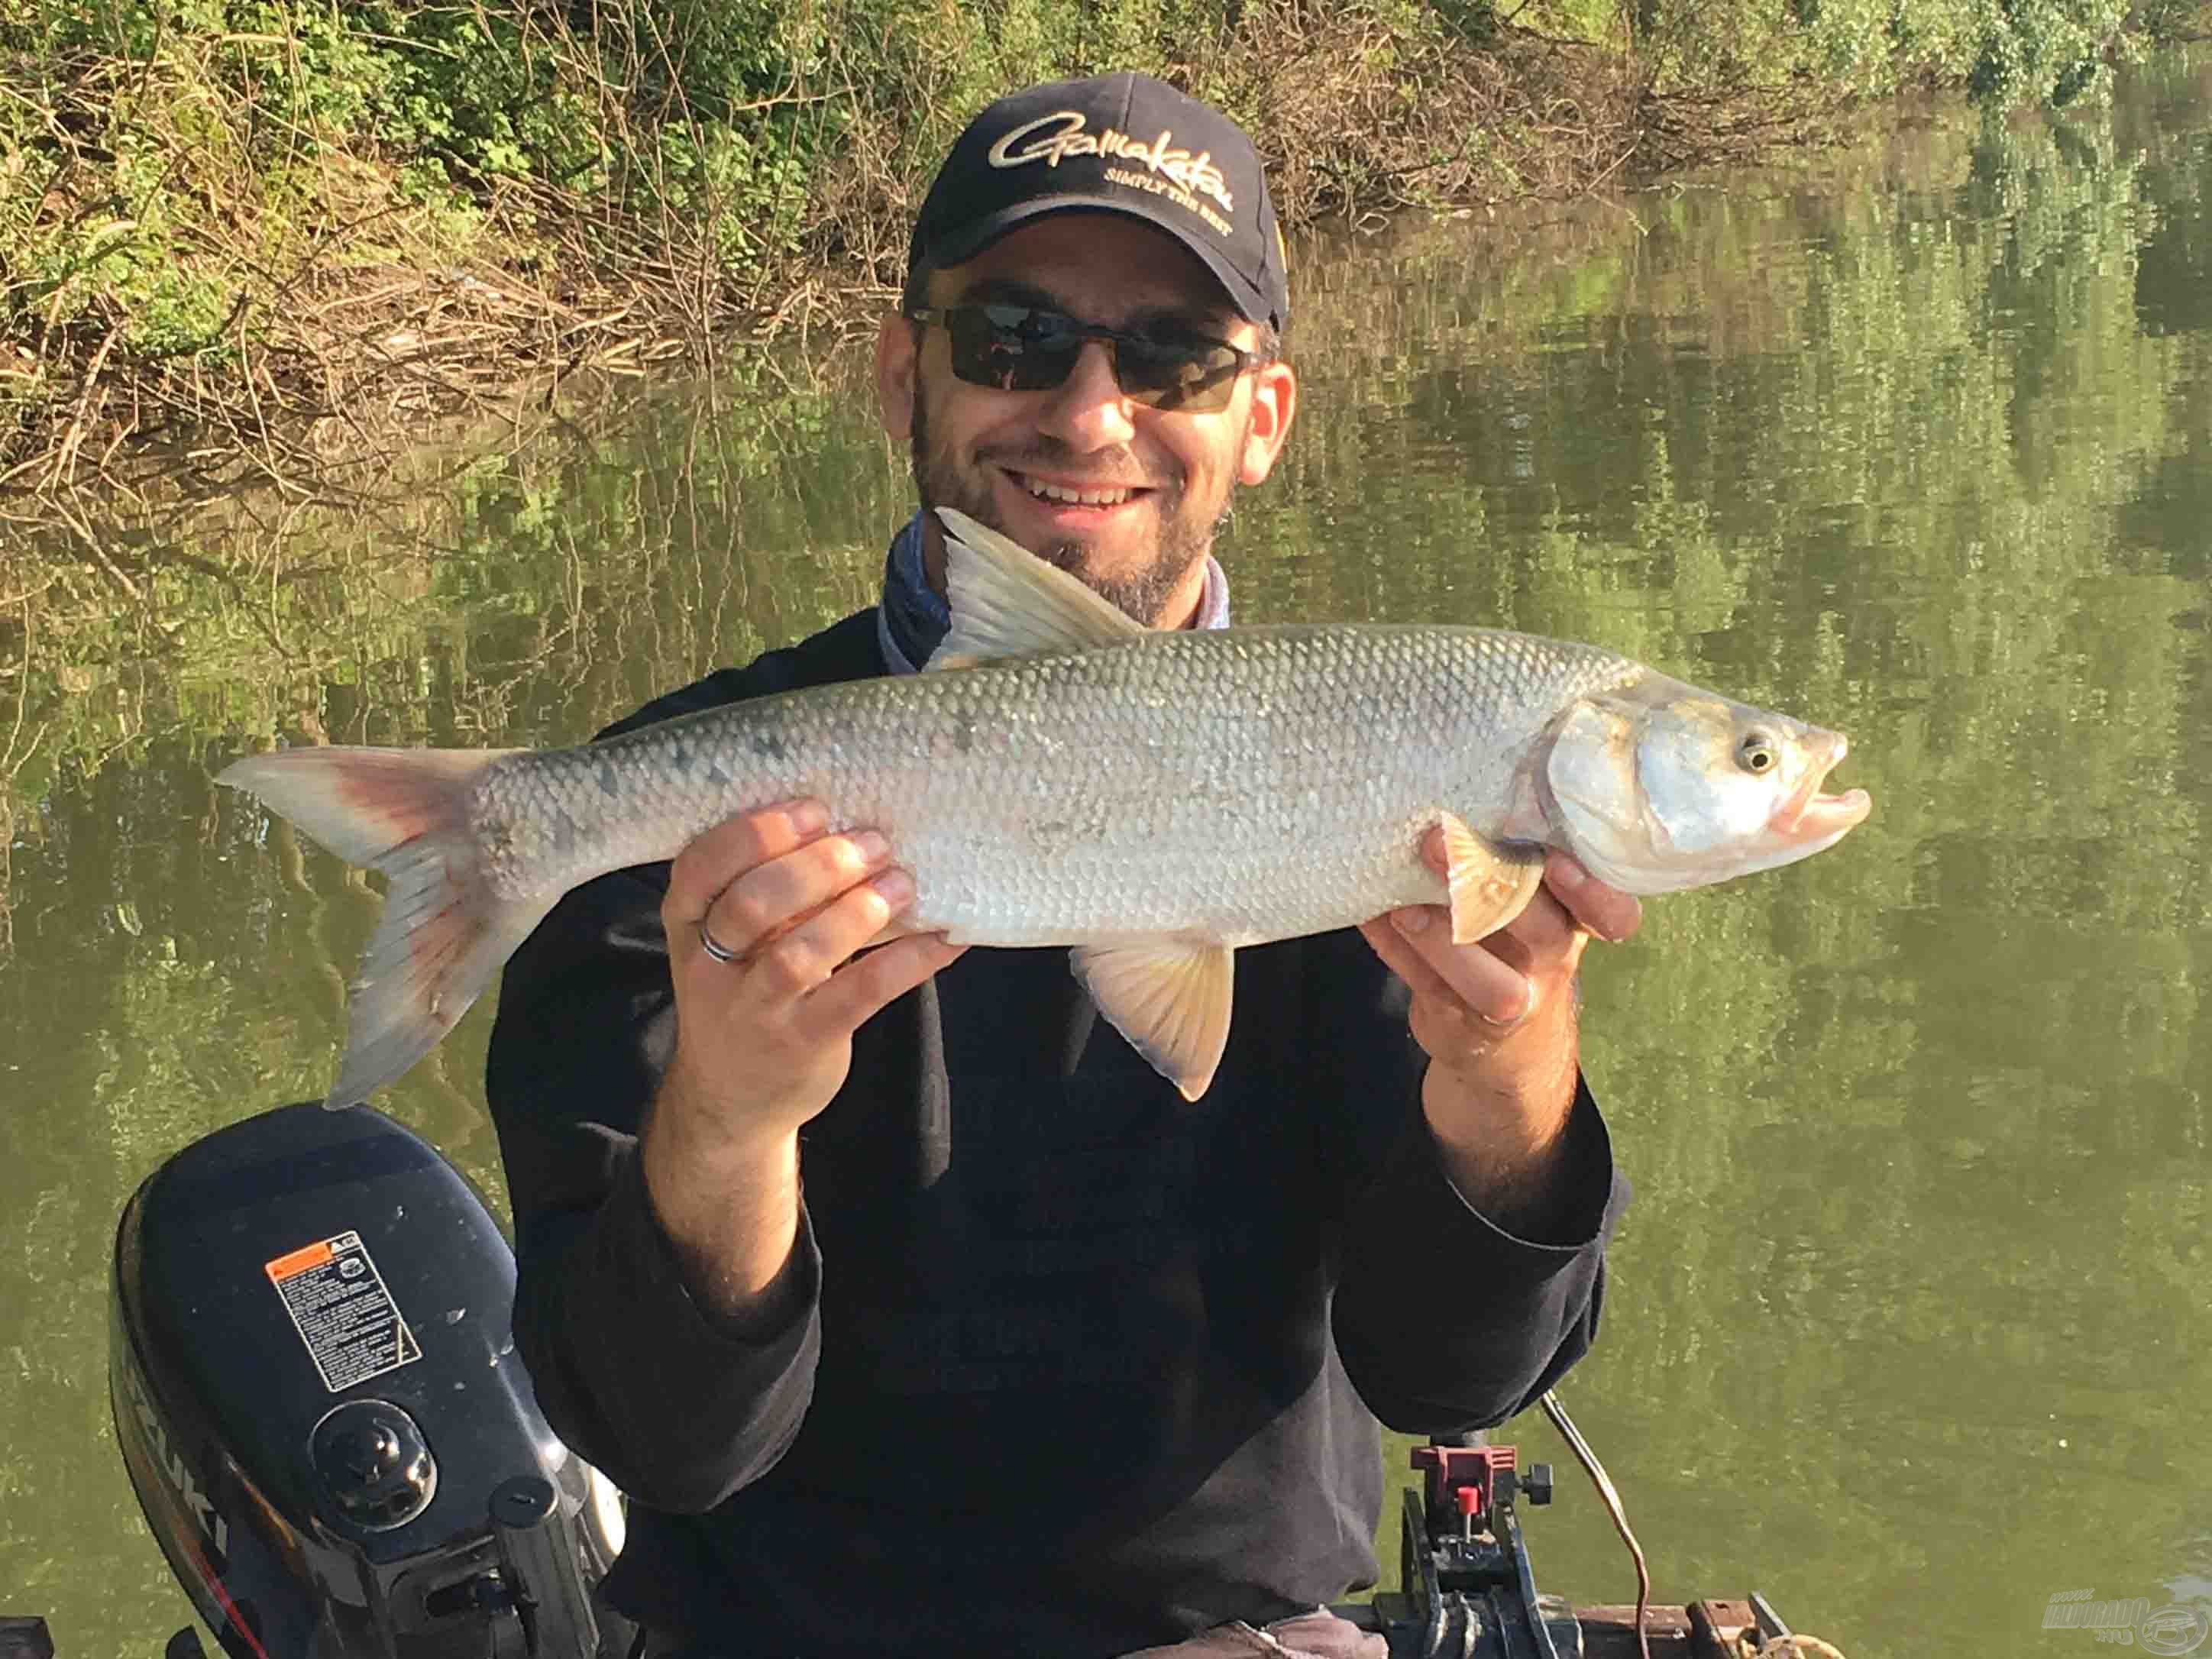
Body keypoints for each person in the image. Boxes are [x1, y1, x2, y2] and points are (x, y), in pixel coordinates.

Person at [486, 71, 1638, 1659]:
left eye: (1171, 354)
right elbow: (666, 1445)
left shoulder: (1392, 791)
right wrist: (728, 1125)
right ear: (903, 375)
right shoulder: (678, 817)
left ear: (1261, 422)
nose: (1088, 415)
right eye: (1012, 338)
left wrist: (1510, 1083)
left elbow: (1453, 1380)